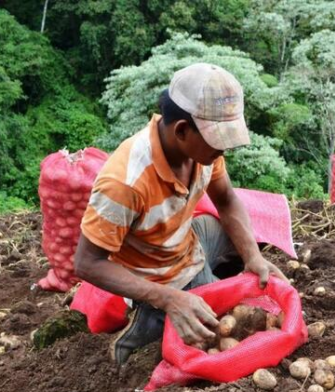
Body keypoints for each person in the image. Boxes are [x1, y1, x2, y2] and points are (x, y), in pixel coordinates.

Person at [74, 63, 286, 365]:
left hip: (190, 239)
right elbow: (86, 263)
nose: (222, 151)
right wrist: (167, 298)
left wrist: (252, 255)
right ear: (182, 130)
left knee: (245, 237)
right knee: (215, 327)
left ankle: (208, 281)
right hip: (158, 276)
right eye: (217, 142)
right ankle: (148, 319)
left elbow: (226, 199)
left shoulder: (202, 154)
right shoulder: (124, 183)